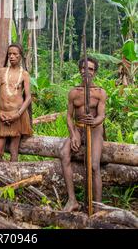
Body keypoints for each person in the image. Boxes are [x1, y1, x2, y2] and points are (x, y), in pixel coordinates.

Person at [60, 57, 107, 212]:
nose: (87, 72)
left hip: (95, 129)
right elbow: (68, 116)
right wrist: (73, 134)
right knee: (64, 153)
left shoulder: (100, 92)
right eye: (84, 68)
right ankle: (72, 200)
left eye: (91, 69)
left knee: (94, 165)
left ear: (95, 72)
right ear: (80, 70)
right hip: (79, 128)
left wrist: (94, 121)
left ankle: (98, 207)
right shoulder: (74, 93)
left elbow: (101, 116)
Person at [0, 43, 32, 162]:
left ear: (20, 56)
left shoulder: (24, 74)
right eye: (9, 54)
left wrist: (18, 114)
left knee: (13, 150)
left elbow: (28, 97)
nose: (12, 56)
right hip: (2, 115)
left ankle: (13, 178)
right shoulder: (2, 71)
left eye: (15, 54)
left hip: (17, 115)